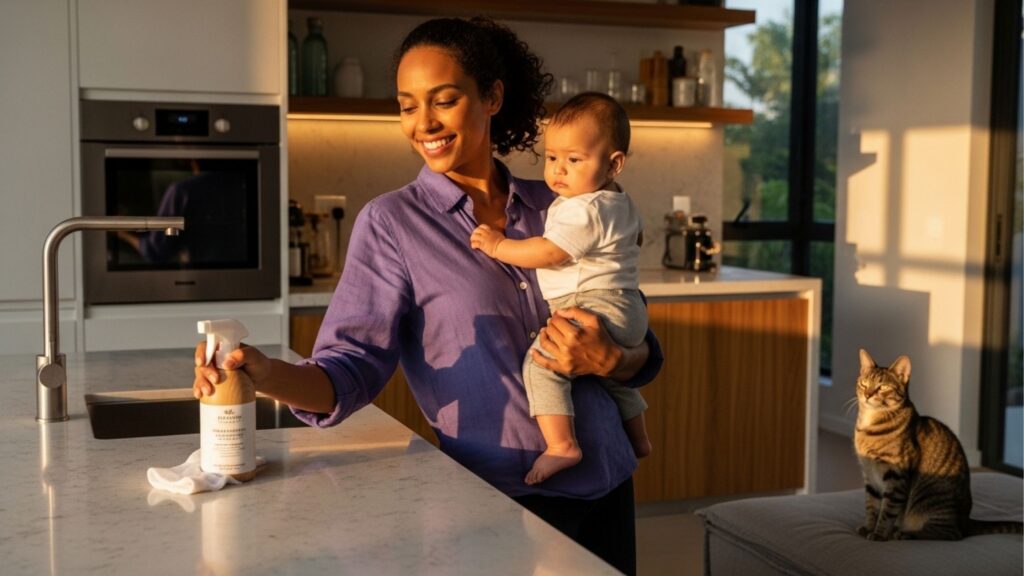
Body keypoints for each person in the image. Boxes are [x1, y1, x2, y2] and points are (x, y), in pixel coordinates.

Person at [192, 17, 661, 575]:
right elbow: (350, 368)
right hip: (495, 501)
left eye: (443, 100)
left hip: (608, 481)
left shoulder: (563, 202)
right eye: (407, 105)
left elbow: (635, 333)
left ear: (492, 97)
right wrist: (265, 373)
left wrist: (618, 358)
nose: (424, 123)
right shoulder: (392, 224)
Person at [470, 92, 652, 486]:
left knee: (541, 365)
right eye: (552, 158)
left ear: (614, 163)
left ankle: (562, 445)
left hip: (590, 304)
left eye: (574, 160)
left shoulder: (581, 207)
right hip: (627, 308)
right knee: (612, 380)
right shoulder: (618, 201)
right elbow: (635, 241)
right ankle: (639, 438)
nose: (559, 171)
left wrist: (498, 245)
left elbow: (551, 252)